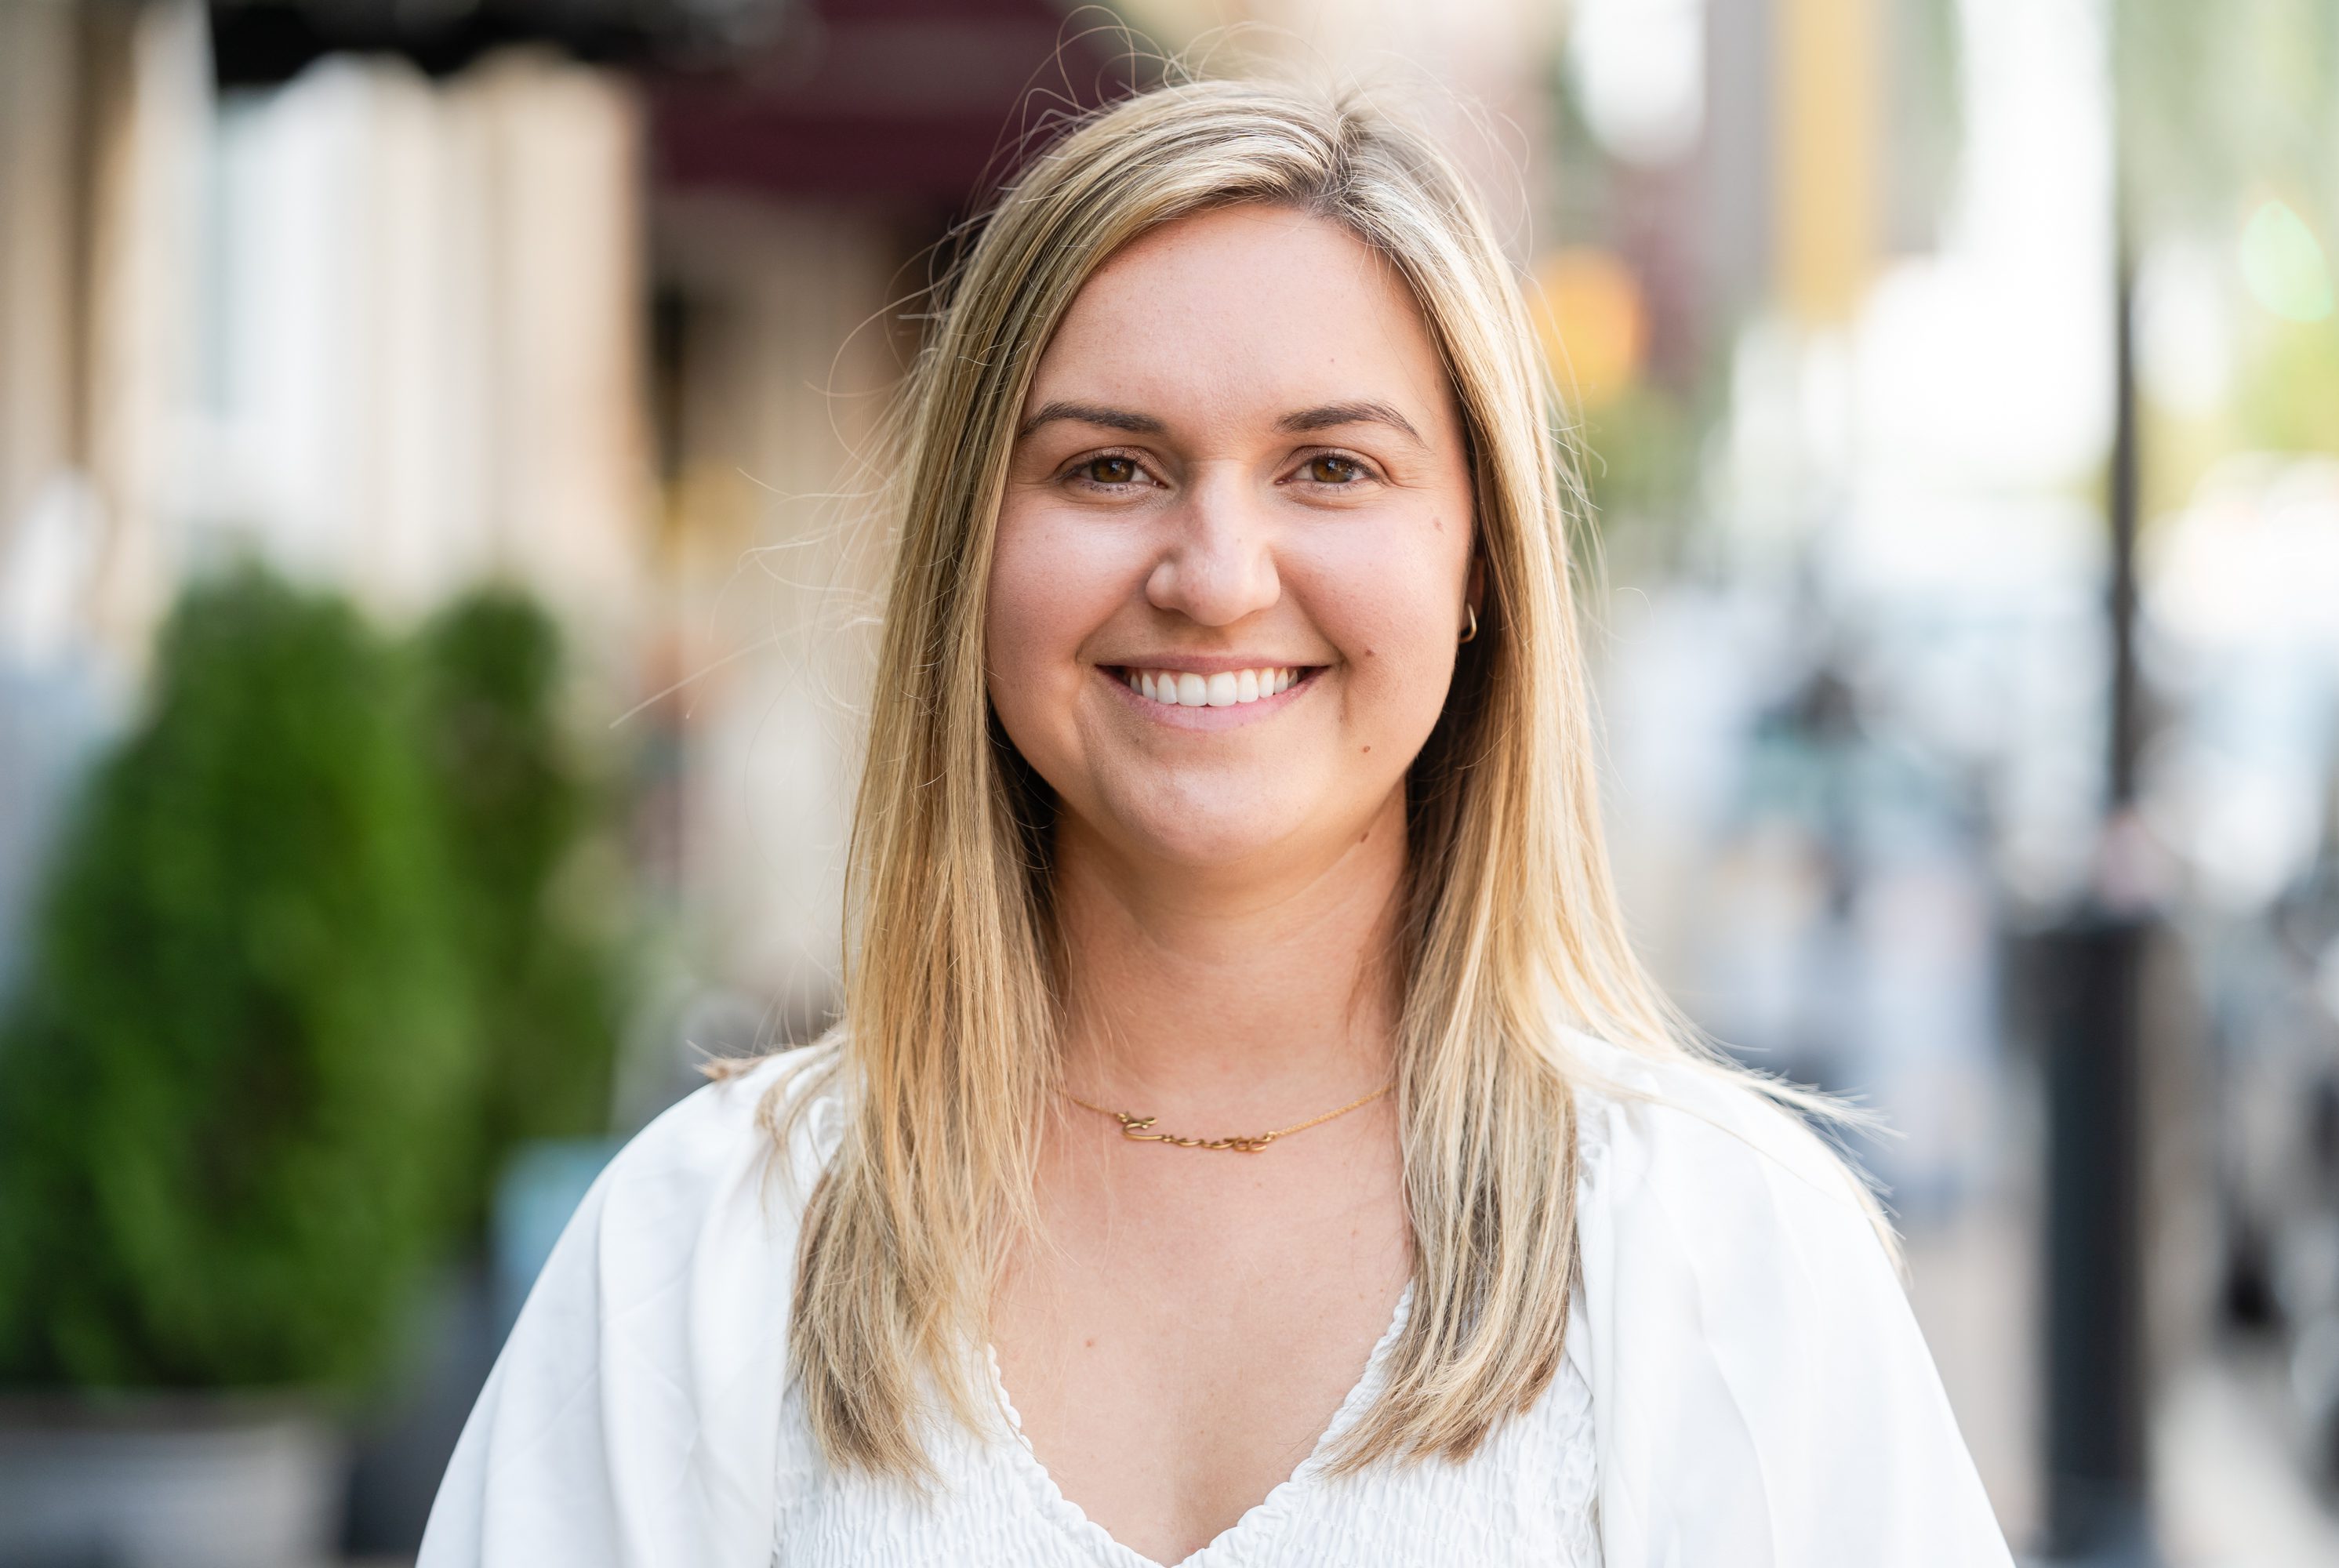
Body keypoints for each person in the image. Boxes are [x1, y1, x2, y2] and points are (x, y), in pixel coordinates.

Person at [419, 75, 2013, 1567]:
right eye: (1110, 467)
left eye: (1331, 466)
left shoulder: (1722, 1258)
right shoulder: (705, 1249)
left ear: (1480, 572)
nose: (1217, 572)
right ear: (975, 564)